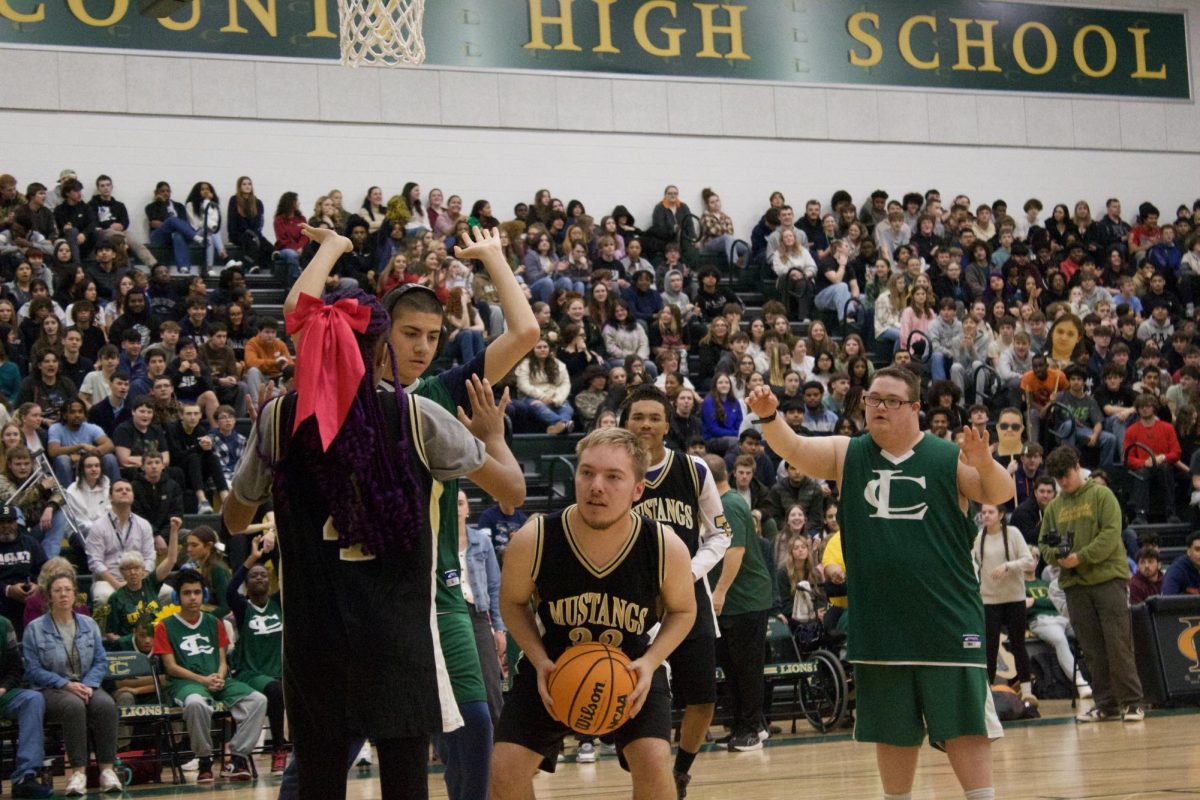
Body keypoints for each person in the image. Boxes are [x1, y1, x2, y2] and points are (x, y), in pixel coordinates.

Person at [223, 224, 527, 800]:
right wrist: (493, 436)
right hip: (399, 637)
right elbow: (510, 490)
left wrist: (332, 247)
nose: (422, 347)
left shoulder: (278, 420)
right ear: (383, 347)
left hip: (316, 643)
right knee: (407, 782)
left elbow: (234, 521)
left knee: (316, 780)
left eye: (431, 337)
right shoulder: (417, 417)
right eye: (410, 335)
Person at [747, 367, 1013, 800]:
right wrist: (769, 417)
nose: (879, 408)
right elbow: (794, 447)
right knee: (893, 729)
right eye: (872, 399)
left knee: (964, 723)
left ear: (914, 408)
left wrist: (983, 459)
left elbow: (997, 494)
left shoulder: (946, 457)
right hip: (879, 621)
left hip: (946, 621)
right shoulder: (847, 454)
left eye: (891, 400)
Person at [488, 428, 696, 800]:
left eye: (613, 476)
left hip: (633, 669)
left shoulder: (664, 545)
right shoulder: (535, 538)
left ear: (637, 489)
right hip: (552, 666)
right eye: (587, 473)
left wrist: (650, 662)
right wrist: (538, 660)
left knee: (653, 761)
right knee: (505, 767)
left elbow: (683, 611)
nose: (596, 486)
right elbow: (512, 603)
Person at [621, 384, 731, 798]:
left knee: (703, 697)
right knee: (634, 688)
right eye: (638, 417)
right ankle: (645, 762)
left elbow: (720, 535)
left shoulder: (694, 470)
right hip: (633, 598)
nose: (646, 424)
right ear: (625, 422)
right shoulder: (614, 472)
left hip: (688, 597)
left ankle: (680, 769)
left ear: (668, 424)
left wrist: (687, 573)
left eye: (654, 417)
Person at [1039, 445, 1144, 722]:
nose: (1062, 481)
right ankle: (1106, 704)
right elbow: (1044, 542)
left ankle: (1132, 702)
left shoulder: (1102, 495)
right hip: (1074, 586)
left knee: (1118, 643)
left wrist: (1081, 557)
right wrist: (1056, 558)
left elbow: (1111, 536)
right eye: (1057, 478)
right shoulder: (1055, 507)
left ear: (1077, 466)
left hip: (1108, 579)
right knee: (1092, 649)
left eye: (1066, 475)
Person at [152, 568, 267, 783]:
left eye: (197, 592)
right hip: (185, 683)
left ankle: (237, 758)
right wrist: (202, 680)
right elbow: (170, 667)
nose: (193, 597)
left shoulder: (214, 622)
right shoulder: (165, 626)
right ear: (178, 596)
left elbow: (223, 660)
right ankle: (204, 760)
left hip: (218, 680)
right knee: (197, 704)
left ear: (203, 594)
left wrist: (219, 677)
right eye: (187, 593)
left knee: (258, 700)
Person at [22, 561, 122, 795]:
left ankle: (107, 770)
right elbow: (33, 669)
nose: (63, 595)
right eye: (58, 591)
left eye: (67, 590)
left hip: (86, 684)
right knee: (73, 706)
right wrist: (66, 684)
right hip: (52, 688)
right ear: (49, 596)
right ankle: (78, 774)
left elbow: (100, 661)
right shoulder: (35, 629)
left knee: (106, 704)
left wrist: (87, 684)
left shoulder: (88, 624)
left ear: (75, 594)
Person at [705, 454, 773, 751]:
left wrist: (718, 592)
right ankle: (739, 726)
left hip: (746, 599)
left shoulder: (729, 505)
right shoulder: (715, 505)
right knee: (732, 668)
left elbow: (735, 551)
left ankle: (752, 730)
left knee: (747, 668)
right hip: (732, 601)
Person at [226, 534, 288, 772]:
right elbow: (231, 589)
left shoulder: (278, 603)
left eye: (263, 574)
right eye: (254, 575)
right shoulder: (243, 608)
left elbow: (288, 575)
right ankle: (279, 750)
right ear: (248, 583)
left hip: (278, 670)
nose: (259, 577)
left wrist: (274, 549)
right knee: (274, 689)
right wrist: (253, 558)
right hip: (251, 672)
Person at [973, 504, 1035, 702]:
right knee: (989, 647)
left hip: (1014, 598)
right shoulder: (978, 537)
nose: (986, 516)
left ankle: (1027, 692)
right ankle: (987, 695)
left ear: (1001, 515)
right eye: (983, 512)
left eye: (990, 512)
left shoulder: (1013, 533)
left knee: (1018, 644)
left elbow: (1028, 561)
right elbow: (972, 564)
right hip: (989, 599)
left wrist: (1008, 566)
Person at [455, 490, 506, 725]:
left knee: (490, 682)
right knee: (450, 686)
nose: (456, 508)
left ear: (467, 509)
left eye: (461, 503)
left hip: (478, 616)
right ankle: (448, 751)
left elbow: (495, 587)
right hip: (450, 616)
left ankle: (498, 743)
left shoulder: (482, 541)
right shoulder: (436, 543)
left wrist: (499, 627)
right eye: (452, 504)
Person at [0, 603, 53, 798]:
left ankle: (25, 777)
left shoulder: (4, 625)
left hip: (3, 694)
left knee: (33, 699)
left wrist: (3, 687)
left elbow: (16, 667)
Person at [85, 479, 156, 606]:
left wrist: (140, 580)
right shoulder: (98, 526)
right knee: (103, 597)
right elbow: (95, 562)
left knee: (168, 593)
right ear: (110, 497)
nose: (124, 491)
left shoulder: (144, 525)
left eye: (128, 490)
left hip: (140, 579)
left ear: (133, 497)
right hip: (109, 581)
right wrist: (116, 584)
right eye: (119, 490)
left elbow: (150, 557)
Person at [100, 526, 177, 641]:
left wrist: (174, 531)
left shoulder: (150, 583)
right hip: (133, 646)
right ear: (122, 572)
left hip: (157, 640)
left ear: (143, 570)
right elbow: (110, 634)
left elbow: (171, 560)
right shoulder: (116, 598)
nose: (133, 572)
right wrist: (130, 642)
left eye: (136, 568)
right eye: (128, 569)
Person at [47, 398, 119, 488]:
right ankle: (66, 497)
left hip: (90, 463)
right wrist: (80, 446)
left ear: (85, 415)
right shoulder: (56, 428)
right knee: (62, 460)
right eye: (72, 412)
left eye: (80, 412)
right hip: (70, 466)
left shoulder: (92, 428)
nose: (77, 415)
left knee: (110, 458)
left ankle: (116, 491)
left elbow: (110, 445)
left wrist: (85, 457)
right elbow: (53, 451)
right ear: (64, 415)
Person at [0, 503, 45, 635]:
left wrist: (37, 586)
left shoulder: (30, 543)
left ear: (16, 523)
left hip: (30, 596)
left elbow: (45, 570)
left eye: (10, 521)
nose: (6, 526)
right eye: (2, 522)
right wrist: (8, 590)